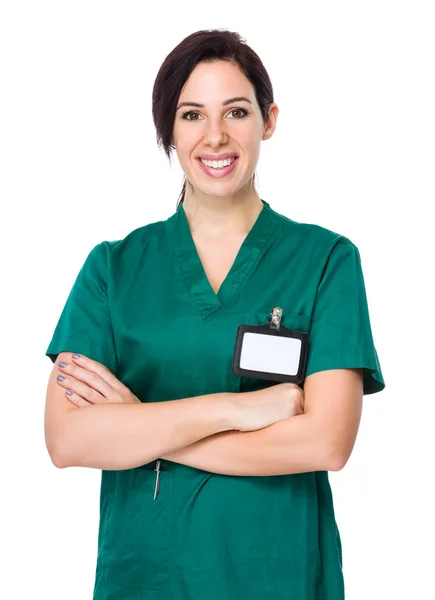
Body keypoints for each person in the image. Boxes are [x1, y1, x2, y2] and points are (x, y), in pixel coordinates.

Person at [44, 29, 385, 600]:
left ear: (268, 119)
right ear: (168, 132)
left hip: (276, 574)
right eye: (192, 115)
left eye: (236, 111)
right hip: (147, 577)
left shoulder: (326, 261)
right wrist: (240, 408)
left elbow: (326, 443)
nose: (215, 136)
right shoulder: (113, 268)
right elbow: (67, 439)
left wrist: (140, 426)